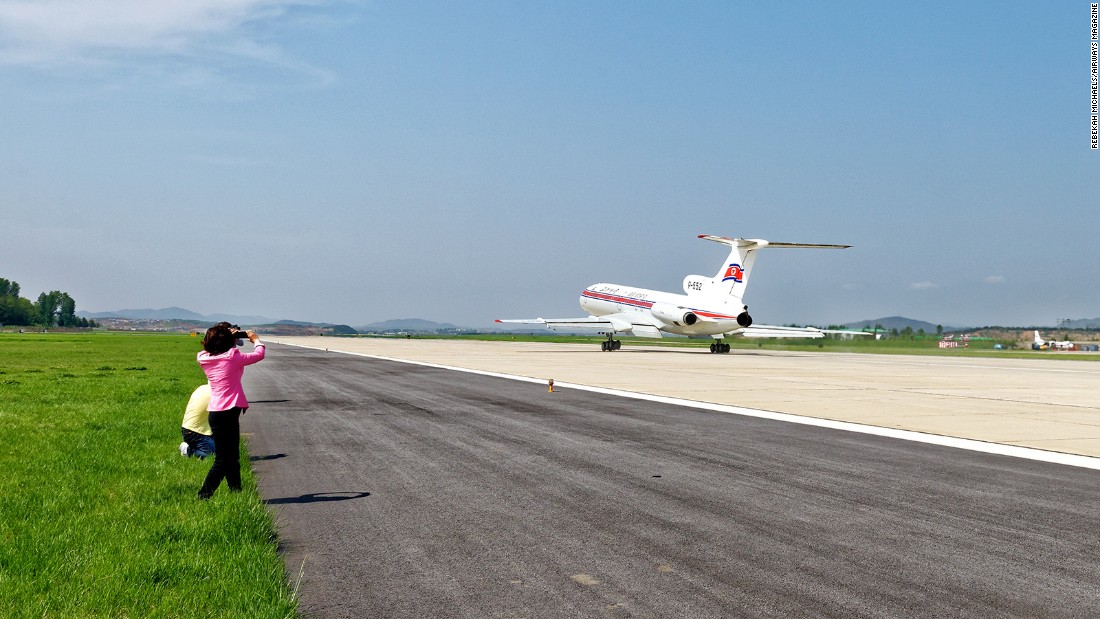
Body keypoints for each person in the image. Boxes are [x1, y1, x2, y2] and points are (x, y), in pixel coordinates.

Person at [196, 322, 266, 499]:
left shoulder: (204, 358)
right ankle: (204, 495)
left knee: (232, 457)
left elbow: (216, 349)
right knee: (224, 460)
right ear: (228, 342)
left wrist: (227, 337)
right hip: (228, 412)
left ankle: (237, 492)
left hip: (217, 413)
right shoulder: (232, 357)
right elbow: (259, 354)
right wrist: (255, 340)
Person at [179, 383, 216, 459]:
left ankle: (192, 445)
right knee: (217, 456)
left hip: (188, 429)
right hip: (197, 433)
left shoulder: (202, 388)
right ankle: (189, 450)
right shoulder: (216, 394)